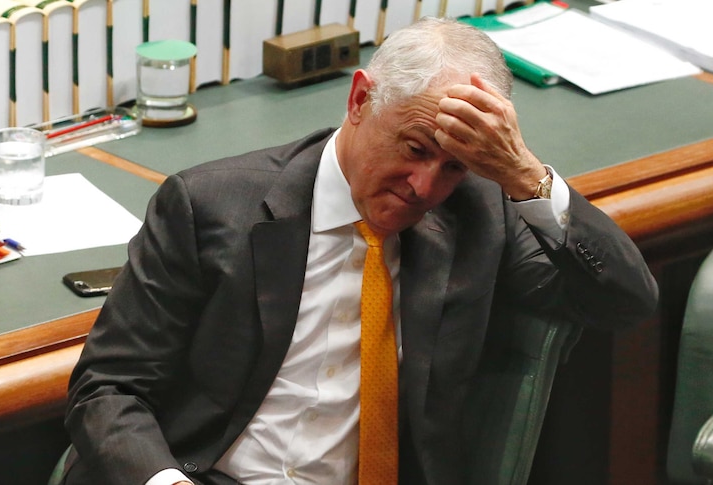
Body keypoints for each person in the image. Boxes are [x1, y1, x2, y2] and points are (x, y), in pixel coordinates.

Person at [62, 16, 658, 485]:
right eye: (415, 147)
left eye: (454, 166)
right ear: (358, 101)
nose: (425, 187)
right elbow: (109, 387)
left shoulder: (481, 212)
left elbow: (623, 303)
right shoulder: (210, 206)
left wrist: (525, 175)